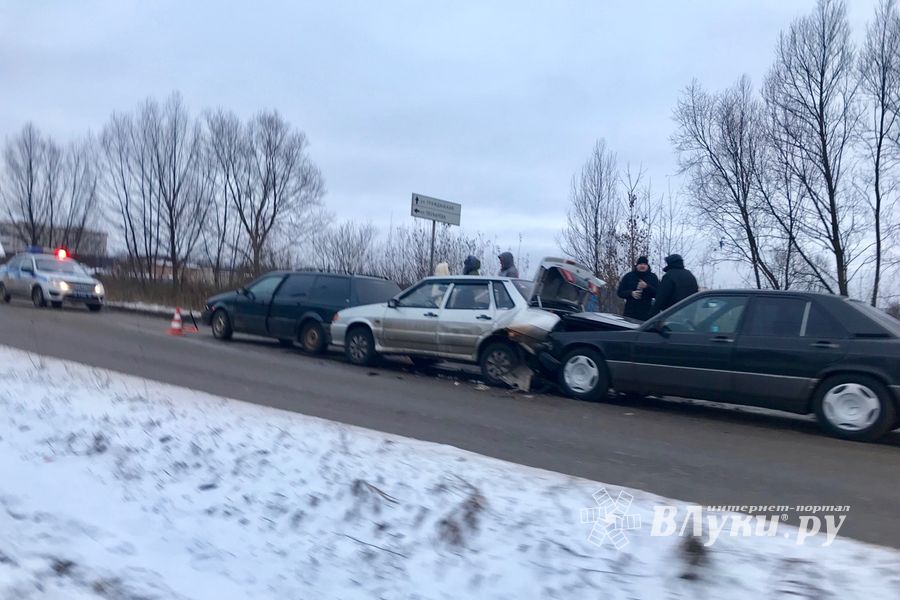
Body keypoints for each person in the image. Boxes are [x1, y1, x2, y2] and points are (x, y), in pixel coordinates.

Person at [616, 256, 659, 321]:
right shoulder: (628, 276)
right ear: (636, 265)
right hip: (630, 313)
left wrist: (647, 286)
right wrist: (631, 293)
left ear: (647, 266)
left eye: (644, 264)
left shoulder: (653, 277)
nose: (642, 266)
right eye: (640, 264)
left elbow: (658, 294)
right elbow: (620, 292)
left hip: (647, 314)